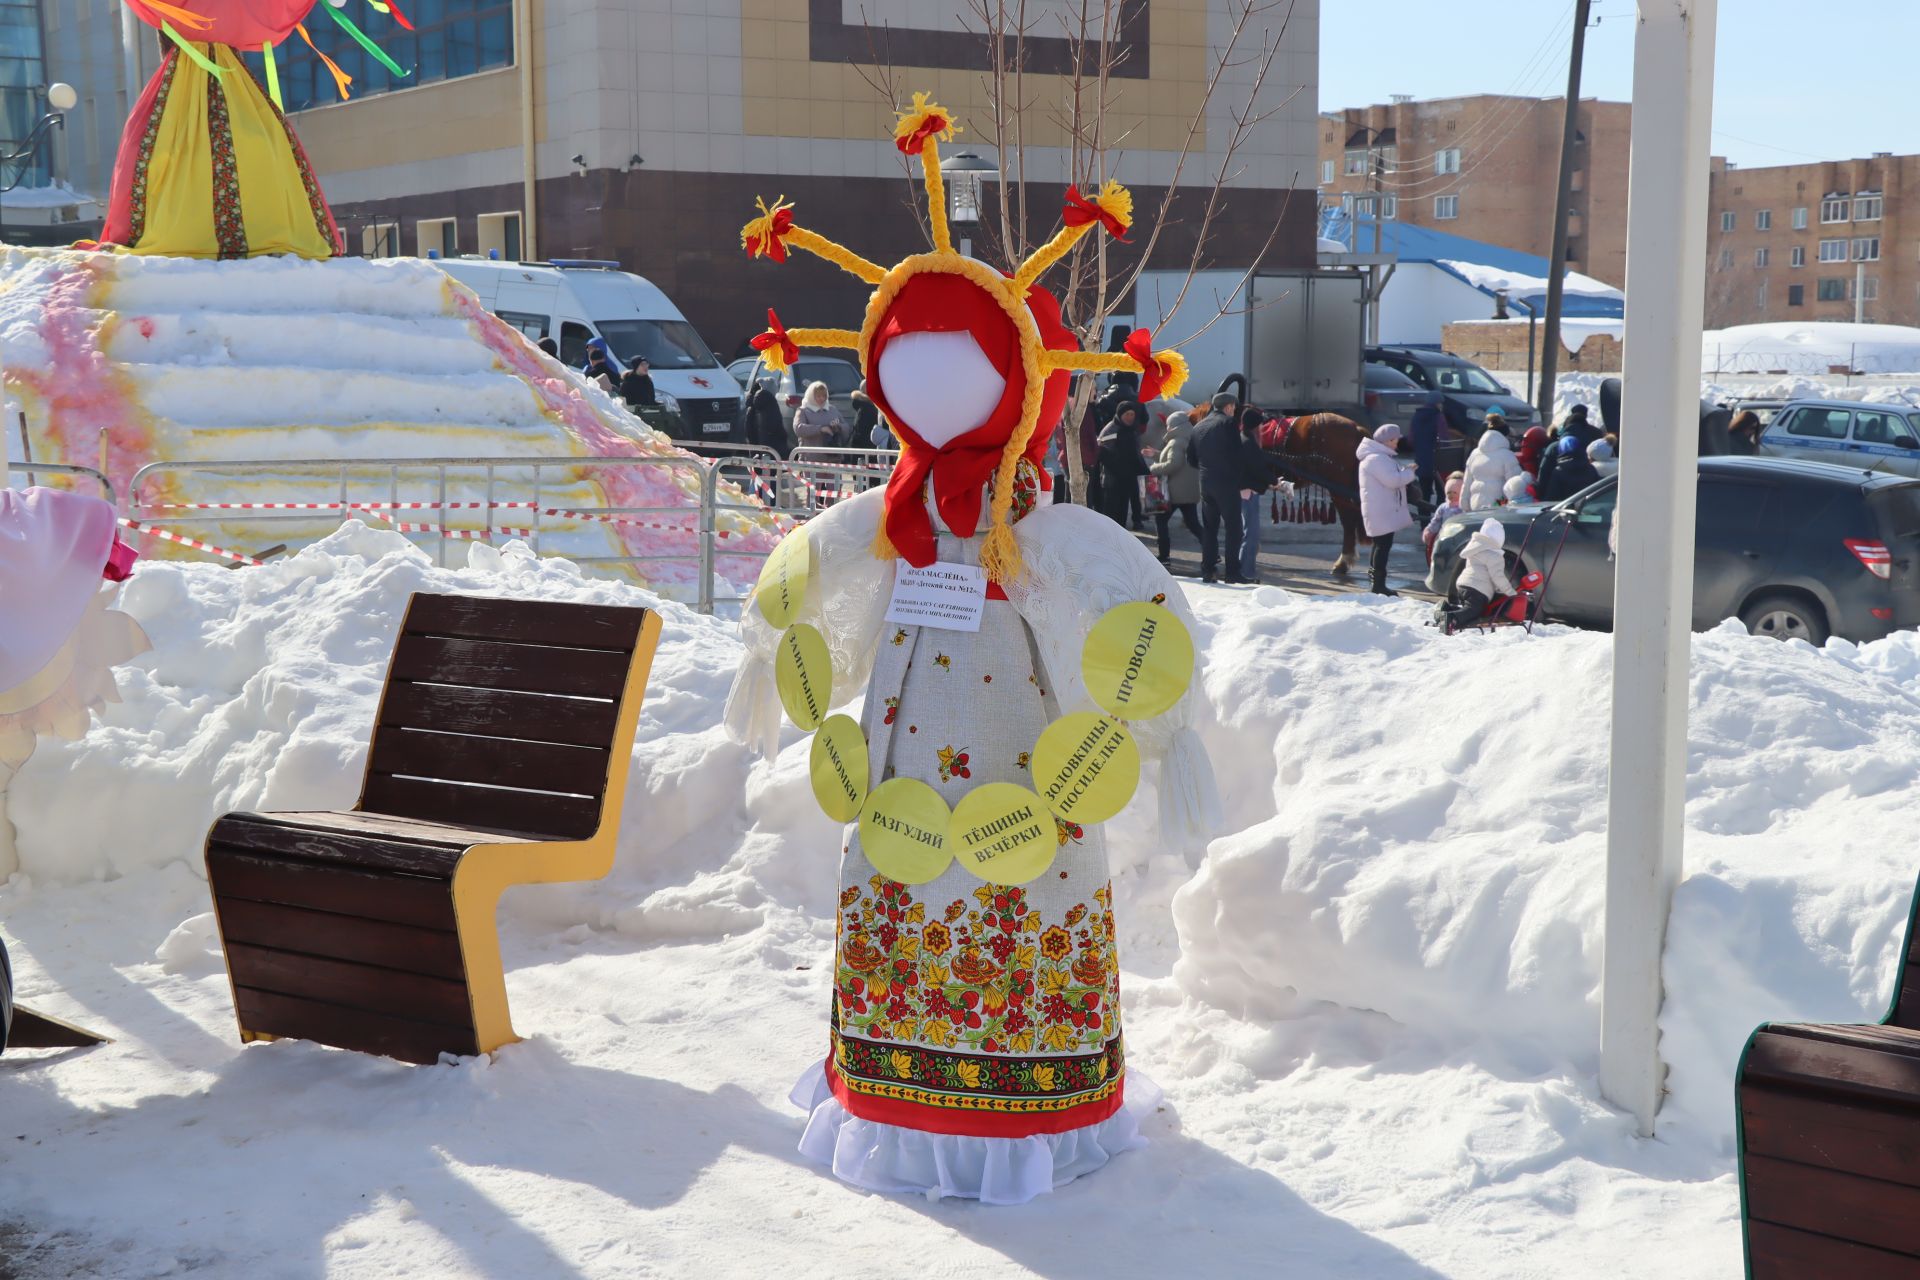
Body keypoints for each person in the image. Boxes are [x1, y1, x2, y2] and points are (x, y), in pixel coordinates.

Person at [1186, 391, 1246, 583]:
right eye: (1233, 408)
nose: (1234, 411)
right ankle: (1232, 572)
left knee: (1210, 528)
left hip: (1206, 484)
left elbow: (1191, 459)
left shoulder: (1199, 426)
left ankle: (1208, 570)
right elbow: (1238, 455)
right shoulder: (1228, 423)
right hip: (1227, 483)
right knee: (1233, 529)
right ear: (1228, 407)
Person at [1357, 423, 1416, 595]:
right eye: (1395, 439)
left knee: (1379, 545)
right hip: (1381, 510)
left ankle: (1376, 582)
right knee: (1382, 546)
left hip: (1380, 509)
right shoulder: (1376, 459)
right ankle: (1378, 585)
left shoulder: (1376, 457)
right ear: (1388, 440)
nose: (1397, 442)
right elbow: (1393, 481)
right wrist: (1410, 472)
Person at [1149, 401, 1203, 565]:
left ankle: (1164, 557)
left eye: (1168, 425)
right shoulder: (1189, 439)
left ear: (1173, 426)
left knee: (1161, 521)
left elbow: (1173, 464)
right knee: (1193, 524)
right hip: (1188, 490)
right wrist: (1156, 454)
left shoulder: (1176, 442)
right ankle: (1211, 551)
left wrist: (1154, 468)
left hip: (1174, 492)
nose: (1167, 428)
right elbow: (1176, 459)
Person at [1443, 518, 1515, 632]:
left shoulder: (1476, 549)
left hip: (1463, 584)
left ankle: (1446, 610)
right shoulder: (1495, 556)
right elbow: (1497, 577)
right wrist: (1510, 591)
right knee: (1473, 610)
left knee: (1469, 609)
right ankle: (1452, 618)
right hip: (1477, 589)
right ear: (1500, 540)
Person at [1236, 408, 1282, 583]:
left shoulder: (1242, 439)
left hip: (1244, 492)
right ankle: (1246, 572)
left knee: (1247, 533)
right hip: (1248, 494)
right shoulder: (1249, 443)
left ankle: (1244, 569)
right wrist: (1276, 482)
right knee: (1251, 535)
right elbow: (1258, 469)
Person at [1095, 400, 1152, 527]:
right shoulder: (1111, 430)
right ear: (1120, 415)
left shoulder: (1132, 430)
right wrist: (1118, 467)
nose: (1130, 417)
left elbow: (1134, 451)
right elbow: (1102, 453)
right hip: (1113, 479)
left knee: (1123, 511)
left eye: (1132, 414)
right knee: (1111, 512)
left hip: (1128, 478)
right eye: (1127, 414)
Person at [1463, 426, 1521, 510]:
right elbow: (1514, 487)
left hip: (1475, 506)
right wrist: (1499, 504)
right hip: (1499, 508)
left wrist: (1465, 505)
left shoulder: (1474, 454)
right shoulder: (1507, 455)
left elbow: (1467, 483)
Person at [1539, 431, 1601, 501]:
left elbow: (1552, 497)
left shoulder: (1558, 472)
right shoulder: (1591, 468)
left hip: (1567, 509)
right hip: (1589, 507)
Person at [1408, 392, 1444, 506]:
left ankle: (1424, 522)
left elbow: (1410, 439)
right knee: (1442, 493)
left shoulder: (1416, 416)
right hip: (1438, 462)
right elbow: (1445, 439)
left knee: (1424, 494)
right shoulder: (1438, 417)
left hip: (1421, 461)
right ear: (1437, 404)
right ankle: (1440, 519)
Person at [1422, 473, 1464, 563]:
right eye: (1449, 492)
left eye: (1455, 492)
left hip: (1460, 539)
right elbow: (1436, 520)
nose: (1451, 495)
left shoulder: (1465, 507)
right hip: (1443, 537)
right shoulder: (1443, 507)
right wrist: (1429, 531)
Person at [792, 382, 846, 450]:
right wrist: (820, 429)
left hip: (834, 456)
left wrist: (838, 427)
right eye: (818, 396)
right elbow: (798, 429)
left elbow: (846, 427)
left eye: (824, 396)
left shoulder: (832, 409)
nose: (822, 399)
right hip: (811, 456)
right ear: (811, 396)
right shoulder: (803, 410)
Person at [746, 384, 789, 457]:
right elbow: (776, 427)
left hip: (756, 450)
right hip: (774, 449)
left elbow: (749, 431)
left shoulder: (751, 407)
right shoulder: (770, 405)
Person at [850, 383, 880, 449]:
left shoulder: (862, 406)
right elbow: (864, 433)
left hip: (858, 447)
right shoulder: (868, 408)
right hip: (866, 450)